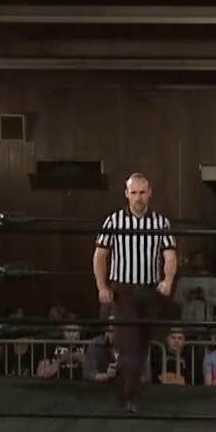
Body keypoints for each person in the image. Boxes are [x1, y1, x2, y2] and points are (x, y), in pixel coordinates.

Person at [94, 173, 177, 413]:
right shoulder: (114, 221)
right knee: (128, 343)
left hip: (149, 290)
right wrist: (102, 287)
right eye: (134, 193)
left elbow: (170, 255)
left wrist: (168, 280)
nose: (138, 198)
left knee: (141, 343)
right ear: (126, 194)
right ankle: (129, 397)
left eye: (142, 192)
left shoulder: (160, 223)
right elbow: (100, 256)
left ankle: (128, 390)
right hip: (123, 291)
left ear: (149, 193)